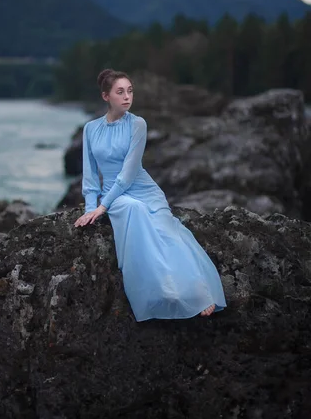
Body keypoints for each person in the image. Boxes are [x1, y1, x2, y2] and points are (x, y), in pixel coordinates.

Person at [74, 68, 227, 321]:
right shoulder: (91, 129)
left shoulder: (138, 124)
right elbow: (90, 177)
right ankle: (167, 289)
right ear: (105, 97)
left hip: (143, 188)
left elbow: (129, 173)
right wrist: (91, 208)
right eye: (120, 92)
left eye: (130, 91)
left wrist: (103, 207)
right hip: (119, 197)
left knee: (168, 232)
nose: (127, 97)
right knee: (136, 211)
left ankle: (198, 292)